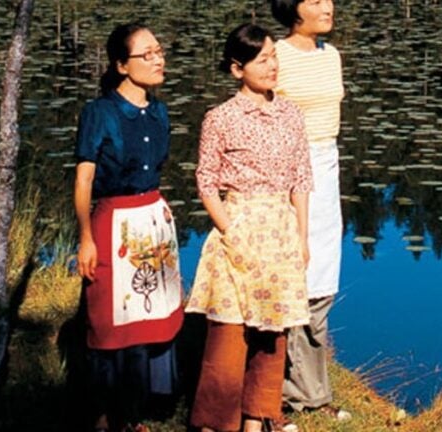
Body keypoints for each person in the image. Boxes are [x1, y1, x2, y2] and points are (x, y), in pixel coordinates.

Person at [185, 23, 313, 432]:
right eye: (261, 60)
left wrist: (302, 237)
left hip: (280, 232)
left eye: (274, 56)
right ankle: (214, 423)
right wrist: (230, 230)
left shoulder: (291, 114)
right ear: (237, 69)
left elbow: (302, 179)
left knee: (272, 337)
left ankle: (256, 420)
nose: (272, 66)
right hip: (237, 230)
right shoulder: (221, 118)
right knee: (228, 334)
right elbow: (206, 181)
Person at [73, 22, 183, 432]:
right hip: (113, 222)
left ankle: (135, 412)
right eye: (147, 54)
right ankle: (102, 414)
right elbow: (84, 180)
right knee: (109, 319)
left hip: (152, 220)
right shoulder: (99, 113)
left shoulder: (159, 112)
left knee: (147, 318)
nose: (158, 60)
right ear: (122, 65)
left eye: (159, 51)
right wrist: (85, 237)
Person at [270, 0, 351, 423]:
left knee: (322, 280)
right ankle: (281, 391)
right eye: (315, 0)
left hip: (326, 168)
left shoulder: (331, 54)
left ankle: (312, 391)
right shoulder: (275, 55)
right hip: (287, 173)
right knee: (291, 279)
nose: (328, 6)